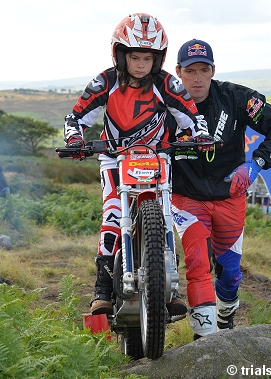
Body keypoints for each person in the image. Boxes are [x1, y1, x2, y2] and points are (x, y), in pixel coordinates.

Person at [61, 17, 214, 317]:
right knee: (114, 215)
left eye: (148, 57)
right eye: (135, 57)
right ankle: (102, 291)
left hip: (157, 157)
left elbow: (193, 117)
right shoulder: (105, 81)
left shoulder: (166, 83)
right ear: (120, 54)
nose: (141, 64)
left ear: (158, 58)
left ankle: (169, 287)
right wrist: (76, 139)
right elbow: (75, 117)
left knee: (165, 216)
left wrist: (202, 137)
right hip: (114, 158)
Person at [167, 39, 271, 340]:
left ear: (213, 70)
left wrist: (256, 164)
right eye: (190, 71)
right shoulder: (165, 102)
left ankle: (225, 318)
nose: (197, 78)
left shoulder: (237, 98)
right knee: (198, 261)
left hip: (230, 196)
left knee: (230, 276)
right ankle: (205, 343)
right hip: (186, 197)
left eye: (204, 70)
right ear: (178, 72)